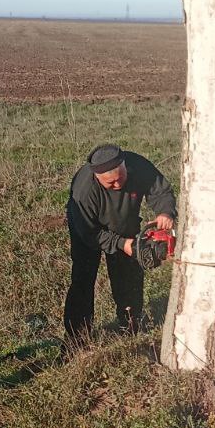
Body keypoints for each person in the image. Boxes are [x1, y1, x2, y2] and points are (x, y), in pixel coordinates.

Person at [64, 144, 177, 342]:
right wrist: (120, 243)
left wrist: (165, 212)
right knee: (83, 278)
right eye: (110, 183)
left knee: (129, 275)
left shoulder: (138, 165)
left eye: (120, 178)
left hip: (125, 224)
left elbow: (160, 190)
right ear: (97, 177)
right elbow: (90, 233)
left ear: (125, 165)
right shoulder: (84, 191)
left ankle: (130, 324)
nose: (117, 185)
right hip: (88, 231)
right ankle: (78, 337)